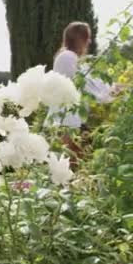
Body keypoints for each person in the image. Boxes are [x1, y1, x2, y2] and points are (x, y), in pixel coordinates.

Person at [47, 21, 122, 163]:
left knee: (79, 162)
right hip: (67, 121)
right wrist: (110, 92)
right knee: (72, 163)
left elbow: (92, 81)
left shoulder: (73, 58)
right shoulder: (67, 57)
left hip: (75, 120)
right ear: (79, 39)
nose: (89, 41)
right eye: (87, 37)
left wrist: (114, 87)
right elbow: (84, 84)